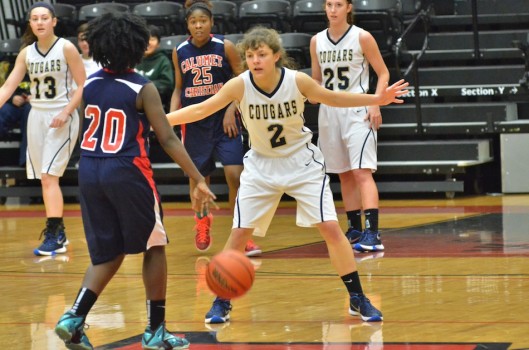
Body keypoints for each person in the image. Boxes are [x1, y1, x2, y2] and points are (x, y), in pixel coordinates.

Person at [166, 26, 408, 324]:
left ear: (276, 56)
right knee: (239, 233)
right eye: (251, 55)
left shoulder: (297, 81)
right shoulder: (239, 85)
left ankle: (357, 297)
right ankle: (222, 300)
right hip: (261, 167)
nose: (256, 60)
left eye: (262, 55)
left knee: (331, 229)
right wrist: (159, 120)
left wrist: (375, 99)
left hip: (301, 164)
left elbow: (333, 97)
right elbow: (200, 110)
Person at [53, 12, 216, 350]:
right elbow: (169, 138)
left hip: (89, 169)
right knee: (154, 245)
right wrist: (197, 177)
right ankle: (156, 331)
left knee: (107, 253)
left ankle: (74, 317)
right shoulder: (143, 87)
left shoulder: (91, 84)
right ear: (138, 47)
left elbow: (91, 130)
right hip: (127, 170)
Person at [170, 0, 261, 256]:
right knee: (198, 180)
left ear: (211, 23)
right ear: (187, 25)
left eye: (203, 21)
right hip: (195, 125)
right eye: (193, 22)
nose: (198, 25)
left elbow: (243, 80)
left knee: (236, 175)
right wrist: (173, 118)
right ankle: (202, 222)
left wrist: (232, 110)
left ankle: (241, 235)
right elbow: (179, 88)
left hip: (224, 122)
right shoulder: (179, 50)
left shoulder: (225, 46)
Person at [0, 2, 85, 256]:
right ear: (30, 23)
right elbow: (8, 87)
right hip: (36, 116)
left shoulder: (66, 47)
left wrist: (67, 111)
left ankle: (54, 234)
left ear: (54, 21)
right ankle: (58, 231)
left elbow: (83, 85)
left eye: (44, 18)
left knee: (49, 176)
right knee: (44, 178)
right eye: (35, 18)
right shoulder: (26, 53)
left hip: (62, 115)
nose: (39, 22)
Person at [310, 0, 390, 252]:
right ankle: (355, 227)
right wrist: (309, 93)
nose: (333, 9)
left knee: (361, 172)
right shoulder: (316, 41)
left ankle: (373, 233)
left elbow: (383, 72)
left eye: (338, 4)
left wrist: (375, 103)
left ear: (348, 8)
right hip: (329, 112)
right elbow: (316, 80)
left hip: (357, 110)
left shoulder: (362, 37)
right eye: (328, 4)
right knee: (343, 173)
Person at [136, 25, 175, 111]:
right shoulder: (132, 59)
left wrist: (143, 87)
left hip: (156, 105)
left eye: (152, 39)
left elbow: (167, 84)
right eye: (145, 39)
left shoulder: (163, 60)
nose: (148, 43)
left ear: (158, 43)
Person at [0, 89, 30, 166]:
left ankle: (25, 160)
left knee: (29, 113)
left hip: (35, 106)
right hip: (14, 105)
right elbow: (6, 88)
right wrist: (12, 98)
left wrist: (36, 99)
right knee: (3, 112)